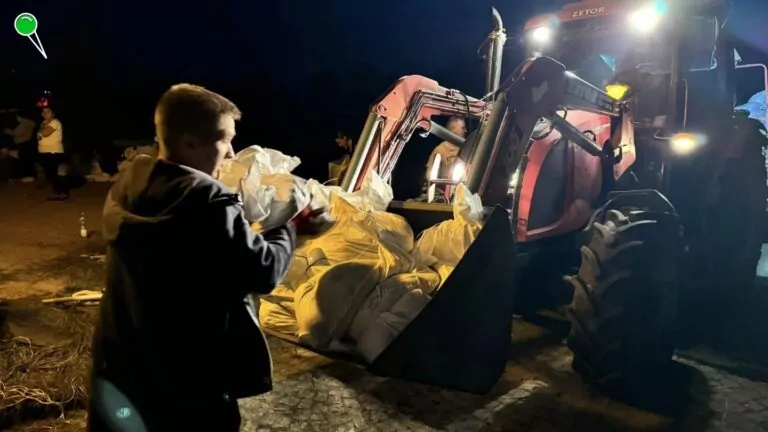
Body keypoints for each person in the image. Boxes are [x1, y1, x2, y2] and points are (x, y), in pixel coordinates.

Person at [87, 84, 326, 432]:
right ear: (188, 143)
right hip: (190, 379)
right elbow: (264, 272)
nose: (231, 153)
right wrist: (291, 228)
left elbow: (196, 252)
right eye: (224, 140)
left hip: (124, 367)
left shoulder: (131, 183)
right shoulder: (208, 201)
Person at [37, 106, 69, 200]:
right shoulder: (44, 123)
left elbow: (45, 133)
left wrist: (43, 126)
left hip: (53, 151)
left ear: (53, 113)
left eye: (48, 112)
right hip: (45, 151)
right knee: (51, 173)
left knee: (54, 173)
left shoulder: (55, 123)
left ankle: (61, 193)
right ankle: (57, 192)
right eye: (43, 112)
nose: (45, 114)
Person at [425, 116, 467, 180]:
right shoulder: (440, 149)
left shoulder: (467, 148)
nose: (465, 130)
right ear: (452, 129)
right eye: (462, 128)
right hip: (444, 187)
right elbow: (429, 175)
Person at [2, 111, 37, 179]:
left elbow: (17, 133)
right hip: (27, 143)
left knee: (24, 160)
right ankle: (30, 175)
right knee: (27, 160)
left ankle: (27, 175)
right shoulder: (30, 123)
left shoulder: (24, 124)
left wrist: (7, 131)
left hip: (23, 143)